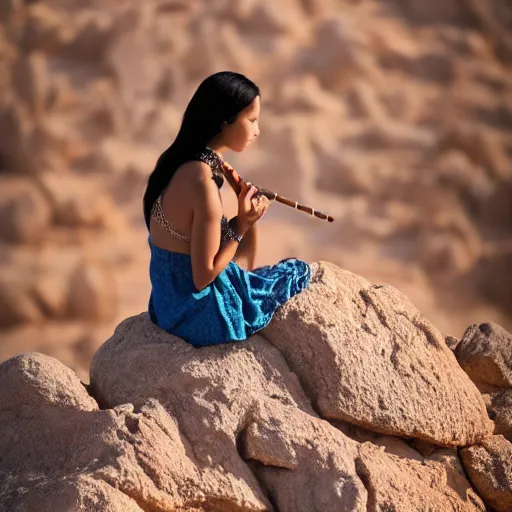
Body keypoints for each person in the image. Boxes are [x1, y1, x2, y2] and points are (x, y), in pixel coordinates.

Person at [143, 71, 312, 347]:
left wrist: (243, 217)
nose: (258, 130)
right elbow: (203, 277)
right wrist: (242, 224)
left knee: (261, 277)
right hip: (193, 312)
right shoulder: (204, 184)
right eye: (252, 120)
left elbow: (244, 261)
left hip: (166, 303)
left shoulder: (181, 162)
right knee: (296, 272)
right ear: (225, 121)